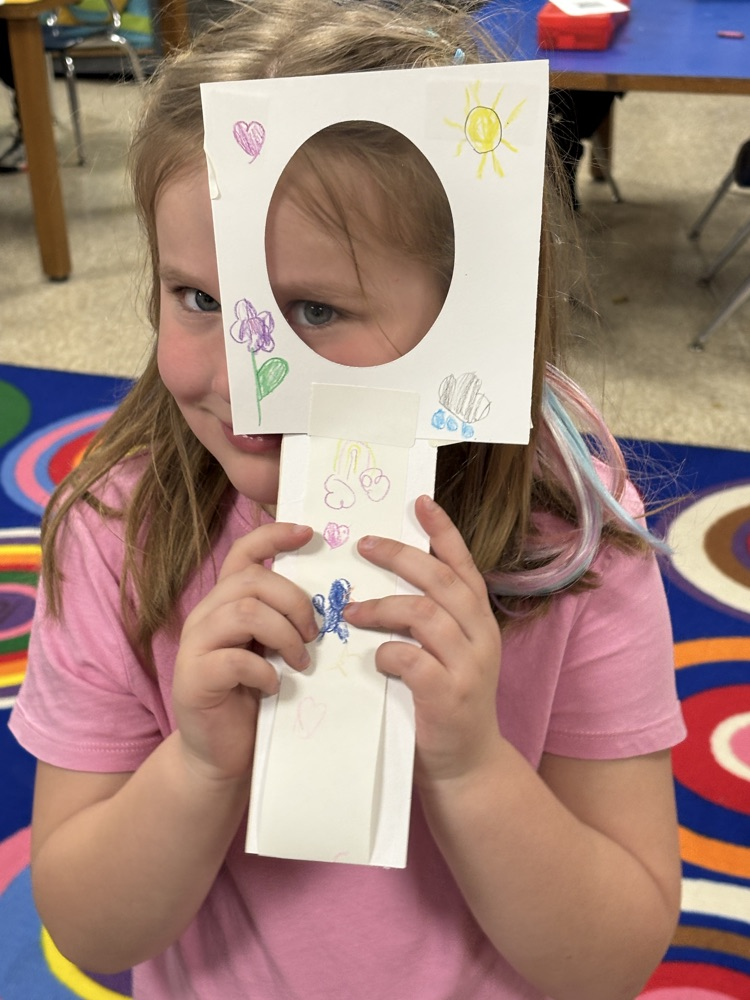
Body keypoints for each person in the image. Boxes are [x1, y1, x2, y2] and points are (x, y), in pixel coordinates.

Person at [10, 1, 686, 998]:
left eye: (313, 310)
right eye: (199, 297)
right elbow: (86, 921)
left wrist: (471, 767)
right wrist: (198, 766)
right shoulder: (122, 528)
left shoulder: (568, 544)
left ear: (474, 307)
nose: (243, 381)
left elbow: (615, 954)